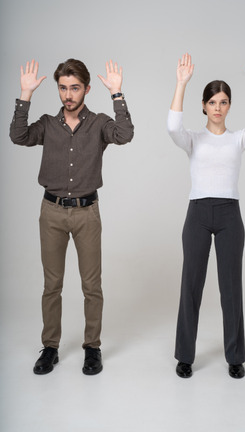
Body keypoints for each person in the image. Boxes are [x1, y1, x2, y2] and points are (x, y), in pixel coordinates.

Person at [10, 58, 134, 375]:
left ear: (86, 89)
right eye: (63, 88)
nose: (68, 94)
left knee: (92, 286)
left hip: (87, 213)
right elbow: (18, 135)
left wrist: (117, 94)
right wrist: (24, 95)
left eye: (75, 88)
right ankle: (50, 347)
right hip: (50, 212)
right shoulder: (47, 125)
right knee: (52, 285)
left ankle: (92, 348)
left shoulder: (100, 123)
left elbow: (125, 134)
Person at [167, 53, 245, 379]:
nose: (217, 107)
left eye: (223, 101)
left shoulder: (237, 138)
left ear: (229, 106)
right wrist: (181, 83)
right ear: (203, 105)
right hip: (198, 213)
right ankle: (185, 356)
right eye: (212, 101)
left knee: (231, 288)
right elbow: (172, 126)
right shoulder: (193, 140)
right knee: (191, 286)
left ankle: (235, 356)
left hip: (229, 215)